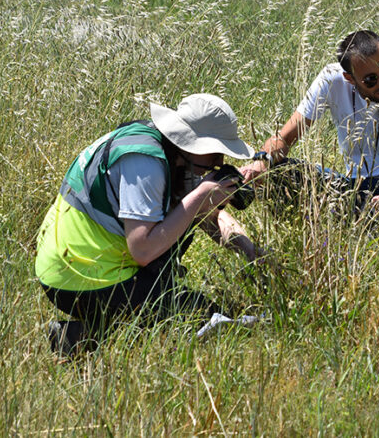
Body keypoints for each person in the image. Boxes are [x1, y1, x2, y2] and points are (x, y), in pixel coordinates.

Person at [35, 93, 263, 356]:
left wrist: (251, 252)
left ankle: (76, 336)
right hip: (80, 277)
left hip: (73, 268)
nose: (219, 164)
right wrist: (201, 195)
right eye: (215, 155)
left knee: (197, 311)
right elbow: (142, 250)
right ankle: (91, 331)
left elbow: (207, 216)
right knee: (203, 317)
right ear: (191, 144)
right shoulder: (145, 164)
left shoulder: (171, 151)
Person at [239, 29, 379, 210]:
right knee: (277, 171)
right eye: (370, 79)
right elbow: (285, 138)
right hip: (352, 185)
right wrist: (261, 162)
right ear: (349, 78)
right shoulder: (331, 80)